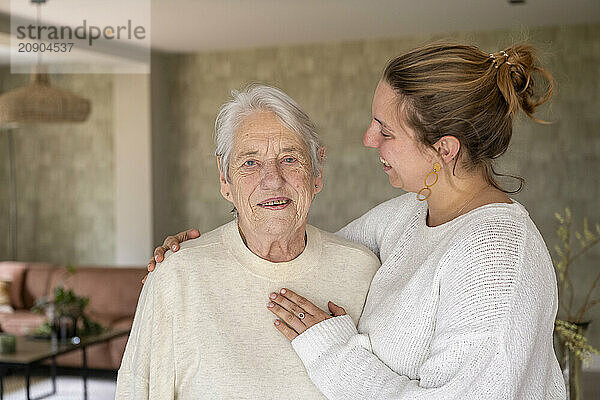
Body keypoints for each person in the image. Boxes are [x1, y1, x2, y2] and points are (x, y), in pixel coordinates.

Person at [148, 42, 566, 399]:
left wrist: (332, 352)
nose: (368, 139)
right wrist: (195, 257)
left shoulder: (498, 261)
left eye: (385, 131)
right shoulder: (410, 215)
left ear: (445, 149)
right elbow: (299, 248)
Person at [116, 84, 380, 399]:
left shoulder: (363, 270)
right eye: (250, 163)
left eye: (290, 159)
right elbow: (137, 390)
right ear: (224, 178)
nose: (272, 179)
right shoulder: (177, 275)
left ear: (317, 171)